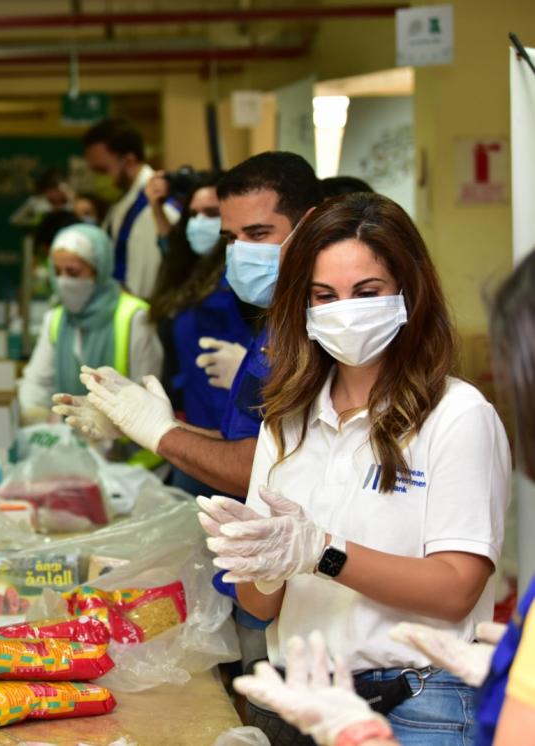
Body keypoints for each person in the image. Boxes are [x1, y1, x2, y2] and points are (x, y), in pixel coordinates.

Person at [197, 191, 509, 744]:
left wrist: (322, 552)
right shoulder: (285, 421)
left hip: (419, 702)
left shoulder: (457, 415)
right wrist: (263, 564)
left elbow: (457, 588)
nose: (344, 310)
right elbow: (259, 608)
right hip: (304, 699)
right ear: (304, 306)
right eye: (325, 296)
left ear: (407, 293)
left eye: (366, 292)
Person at [57, 152, 323, 498]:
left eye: (258, 234)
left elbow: (256, 469)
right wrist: (143, 423)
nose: (242, 251)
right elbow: (245, 443)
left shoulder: (327, 331)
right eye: (230, 238)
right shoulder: (276, 324)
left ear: (310, 225)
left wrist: (161, 433)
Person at [146, 174, 257, 497]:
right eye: (193, 214)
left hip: (235, 432)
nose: (199, 222)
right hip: (195, 425)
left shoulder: (242, 275)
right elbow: (171, 246)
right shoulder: (189, 273)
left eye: (211, 213)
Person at [20, 223, 161, 425]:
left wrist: (109, 425)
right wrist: (35, 415)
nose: (63, 281)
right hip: (73, 440)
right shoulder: (57, 319)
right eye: (57, 272)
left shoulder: (134, 317)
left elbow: (149, 390)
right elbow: (38, 382)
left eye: (73, 272)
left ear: (99, 271)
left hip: (129, 443)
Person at [82, 118, 159, 299]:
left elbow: (142, 291)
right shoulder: (122, 202)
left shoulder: (152, 209)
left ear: (129, 162)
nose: (98, 179)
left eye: (102, 170)